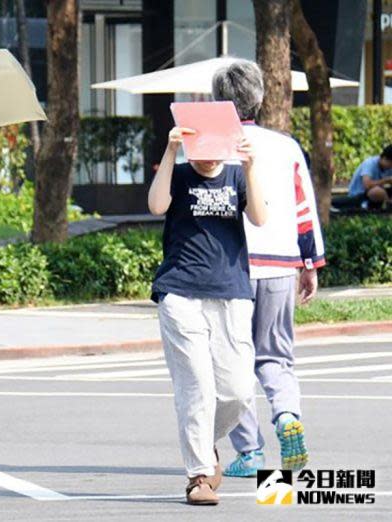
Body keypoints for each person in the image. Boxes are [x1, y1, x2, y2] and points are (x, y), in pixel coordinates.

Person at [211, 60, 326, 478]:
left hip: (232, 267)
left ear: (218, 100)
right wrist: (309, 263)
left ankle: (251, 452)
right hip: (281, 263)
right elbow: (304, 209)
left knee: (234, 363)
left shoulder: (213, 146)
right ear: (259, 97)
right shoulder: (286, 146)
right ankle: (287, 416)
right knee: (276, 357)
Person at [148, 125, 267, 505]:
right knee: (196, 386)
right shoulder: (180, 175)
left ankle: (203, 442)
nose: (210, 155)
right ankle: (199, 475)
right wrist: (171, 151)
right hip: (180, 293)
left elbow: (261, 218)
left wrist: (250, 166)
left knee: (238, 391)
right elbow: (156, 206)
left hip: (231, 292)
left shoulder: (235, 174)